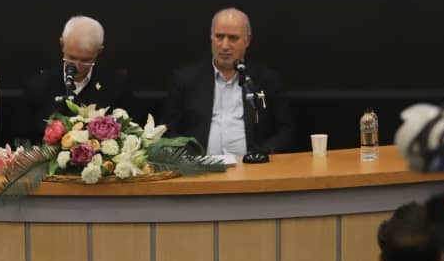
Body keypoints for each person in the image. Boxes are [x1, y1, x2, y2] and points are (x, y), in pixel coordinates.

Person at [160, 8, 292, 155]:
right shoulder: (186, 79)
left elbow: (286, 131)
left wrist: (262, 154)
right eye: (219, 37)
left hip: (252, 165)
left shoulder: (266, 79)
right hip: (200, 165)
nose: (224, 46)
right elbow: (167, 131)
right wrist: (190, 157)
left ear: (247, 40)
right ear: (211, 37)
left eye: (233, 38)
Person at [20, 15, 135, 142]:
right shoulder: (37, 86)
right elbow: (21, 139)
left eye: (86, 60)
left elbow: (131, 134)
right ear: (62, 44)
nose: (77, 66)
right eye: (72, 58)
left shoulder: (117, 86)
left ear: (99, 51)